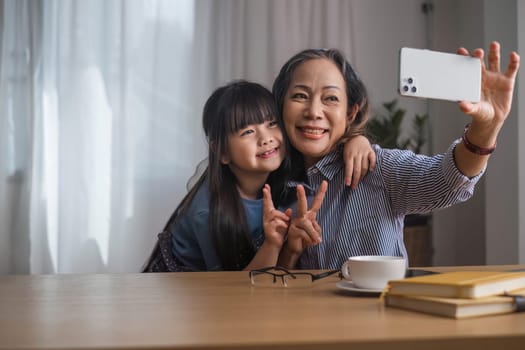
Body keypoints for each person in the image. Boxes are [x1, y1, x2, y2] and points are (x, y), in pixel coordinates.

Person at [272, 42, 520, 269]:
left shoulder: (377, 168)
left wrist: (486, 128)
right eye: (300, 96)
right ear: (281, 105)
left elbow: (446, 180)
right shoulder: (268, 180)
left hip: (379, 316)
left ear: (350, 113)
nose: (314, 111)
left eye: (331, 98)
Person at [142, 80, 374, 272]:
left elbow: (273, 278)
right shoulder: (209, 211)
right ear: (222, 152)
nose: (266, 138)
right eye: (248, 132)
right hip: (191, 298)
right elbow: (234, 294)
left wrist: (358, 140)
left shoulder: (285, 180)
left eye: (272, 124)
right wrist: (273, 244)